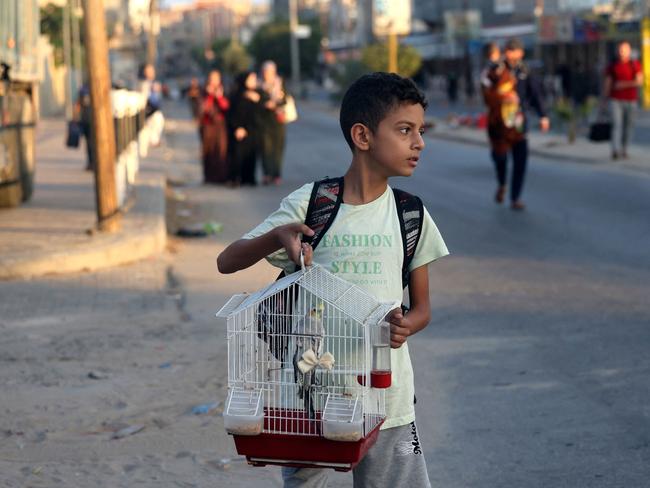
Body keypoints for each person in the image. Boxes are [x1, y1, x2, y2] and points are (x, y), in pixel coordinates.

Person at [217, 72, 449, 488]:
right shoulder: (313, 203)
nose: (419, 143)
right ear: (363, 136)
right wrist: (276, 236)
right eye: (404, 130)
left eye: (420, 131)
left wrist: (406, 325)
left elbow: (423, 309)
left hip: (389, 402)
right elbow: (227, 260)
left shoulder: (410, 214)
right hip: (310, 404)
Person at [482, 38, 549, 210]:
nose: (511, 54)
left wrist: (543, 116)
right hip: (499, 122)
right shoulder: (496, 69)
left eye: (514, 50)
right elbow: (485, 89)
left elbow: (536, 94)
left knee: (520, 160)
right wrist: (502, 97)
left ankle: (515, 197)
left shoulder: (525, 70)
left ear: (521, 53)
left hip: (519, 120)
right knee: (500, 158)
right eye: (508, 50)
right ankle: (502, 183)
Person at [604, 41, 643, 160]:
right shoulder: (613, 65)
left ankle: (624, 149)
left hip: (631, 100)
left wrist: (623, 84)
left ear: (629, 51)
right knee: (616, 124)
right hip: (615, 99)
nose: (622, 52)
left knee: (628, 126)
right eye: (620, 49)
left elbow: (639, 81)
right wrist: (604, 100)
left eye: (625, 50)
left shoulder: (635, 64)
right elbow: (608, 83)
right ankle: (615, 150)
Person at [227, 71, 261, 186]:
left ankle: (248, 178)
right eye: (251, 79)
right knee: (237, 155)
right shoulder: (237, 94)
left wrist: (257, 100)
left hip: (252, 130)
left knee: (251, 155)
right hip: (239, 130)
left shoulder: (257, 94)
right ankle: (235, 178)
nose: (254, 82)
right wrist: (238, 127)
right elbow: (233, 113)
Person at [259, 61, 287, 185]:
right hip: (264, 122)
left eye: (269, 72)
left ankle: (276, 174)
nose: (267, 74)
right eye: (265, 72)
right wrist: (265, 104)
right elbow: (257, 102)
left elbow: (286, 100)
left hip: (278, 121)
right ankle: (267, 174)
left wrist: (276, 103)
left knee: (277, 149)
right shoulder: (259, 86)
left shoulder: (280, 84)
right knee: (265, 149)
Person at [199, 70, 230, 184]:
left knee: (220, 150)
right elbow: (202, 108)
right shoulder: (203, 91)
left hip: (220, 125)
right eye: (212, 78)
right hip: (207, 125)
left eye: (216, 78)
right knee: (208, 151)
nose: (214, 81)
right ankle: (209, 177)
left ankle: (221, 176)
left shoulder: (223, 90)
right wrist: (210, 95)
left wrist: (219, 96)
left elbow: (226, 107)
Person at [139, 63, 165, 147]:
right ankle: (152, 141)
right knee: (155, 122)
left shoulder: (153, 82)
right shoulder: (144, 83)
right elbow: (144, 95)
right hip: (149, 108)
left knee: (158, 121)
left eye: (152, 71)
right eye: (149, 71)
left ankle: (153, 140)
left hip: (154, 108)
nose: (152, 73)